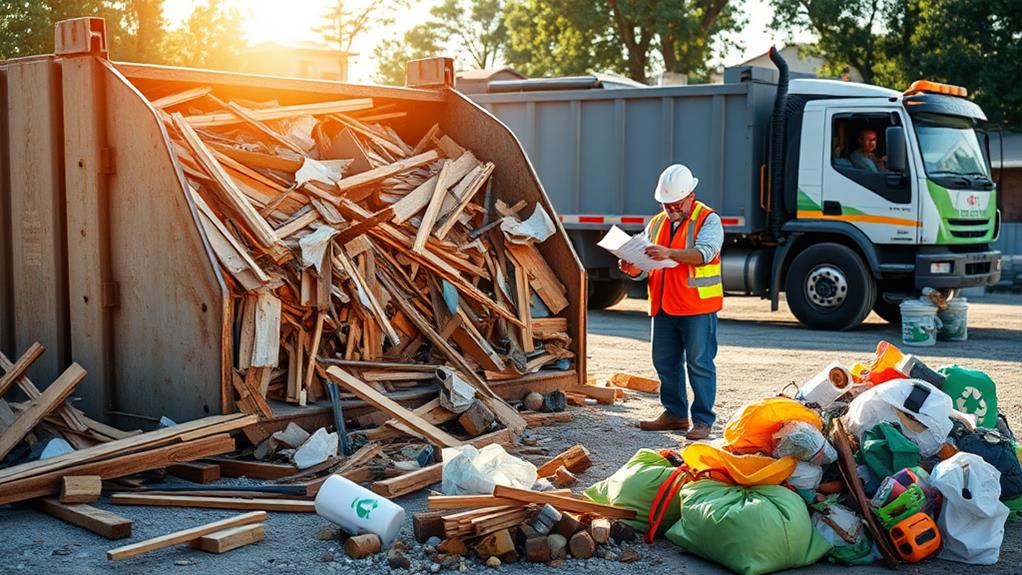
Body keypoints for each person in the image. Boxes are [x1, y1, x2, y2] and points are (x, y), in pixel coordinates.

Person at [618, 164, 723, 440]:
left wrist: (670, 253)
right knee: (664, 362)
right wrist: (633, 268)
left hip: (697, 307)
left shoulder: (708, 220)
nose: (672, 210)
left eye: (677, 205)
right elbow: (646, 266)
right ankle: (675, 414)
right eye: (667, 206)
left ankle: (702, 420)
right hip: (663, 306)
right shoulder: (656, 223)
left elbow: (704, 254)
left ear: (691, 196)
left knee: (699, 363)